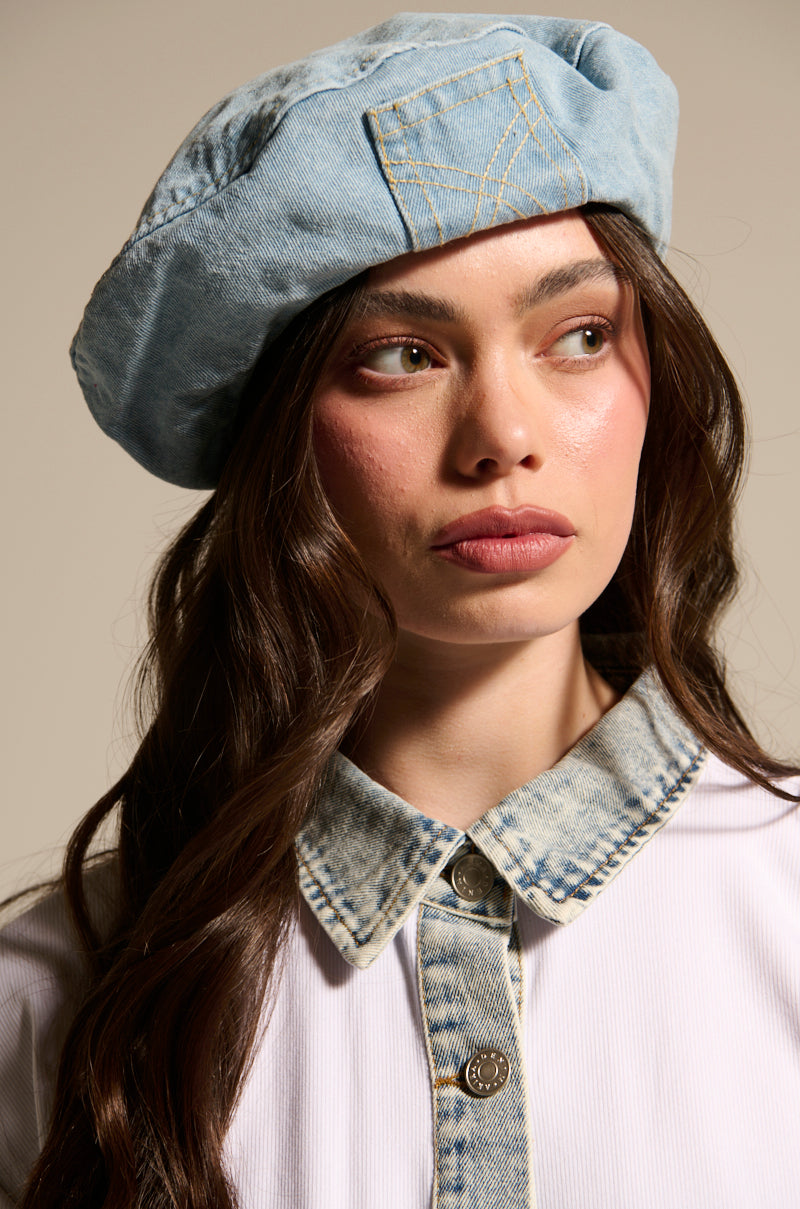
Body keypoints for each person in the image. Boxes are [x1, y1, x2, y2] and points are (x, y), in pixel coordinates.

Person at [1, 12, 798, 1208]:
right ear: (278, 440)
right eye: (400, 356)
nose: (504, 438)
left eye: (576, 336)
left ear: (657, 379)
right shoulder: (56, 993)